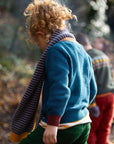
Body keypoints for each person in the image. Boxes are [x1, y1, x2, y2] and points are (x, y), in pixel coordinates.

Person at [10, 1, 97, 144]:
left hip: (63, 125)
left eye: (39, 43)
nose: (42, 49)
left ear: (41, 34)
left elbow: (60, 89)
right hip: (83, 123)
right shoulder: (81, 49)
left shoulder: (56, 50)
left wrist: (52, 124)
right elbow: (92, 88)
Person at [76, 33, 114, 144]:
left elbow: (87, 83)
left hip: (98, 99)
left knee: (91, 130)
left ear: (80, 45)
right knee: (105, 130)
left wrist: (91, 104)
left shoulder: (87, 58)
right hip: (111, 97)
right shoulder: (103, 55)